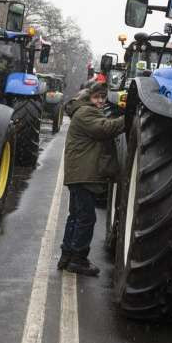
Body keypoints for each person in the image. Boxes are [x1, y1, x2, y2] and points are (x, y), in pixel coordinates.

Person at [58, 81, 125, 276]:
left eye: (103, 98)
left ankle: (67, 255)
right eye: (97, 97)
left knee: (77, 216)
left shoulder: (83, 111)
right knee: (87, 217)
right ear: (88, 97)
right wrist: (127, 119)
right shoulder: (86, 112)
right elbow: (104, 129)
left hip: (79, 173)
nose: (101, 101)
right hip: (83, 173)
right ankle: (78, 259)